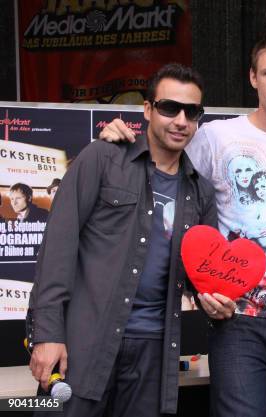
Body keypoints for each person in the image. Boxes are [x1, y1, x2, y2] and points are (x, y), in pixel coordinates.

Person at [100, 34, 266, 417]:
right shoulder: (215, 135)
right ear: (253, 78)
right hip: (235, 316)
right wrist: (120, 142)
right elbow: (162, 166)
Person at [26, 63, 218, 417]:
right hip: (83, 344)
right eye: (169, 108)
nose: (180, 120)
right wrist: (47, 334)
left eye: (191, 112)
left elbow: (201, 276)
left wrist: (220, 296)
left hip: (154, 354)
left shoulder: (200, 192)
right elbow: (57, 250)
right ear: (147, 109)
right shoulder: (102, 158)